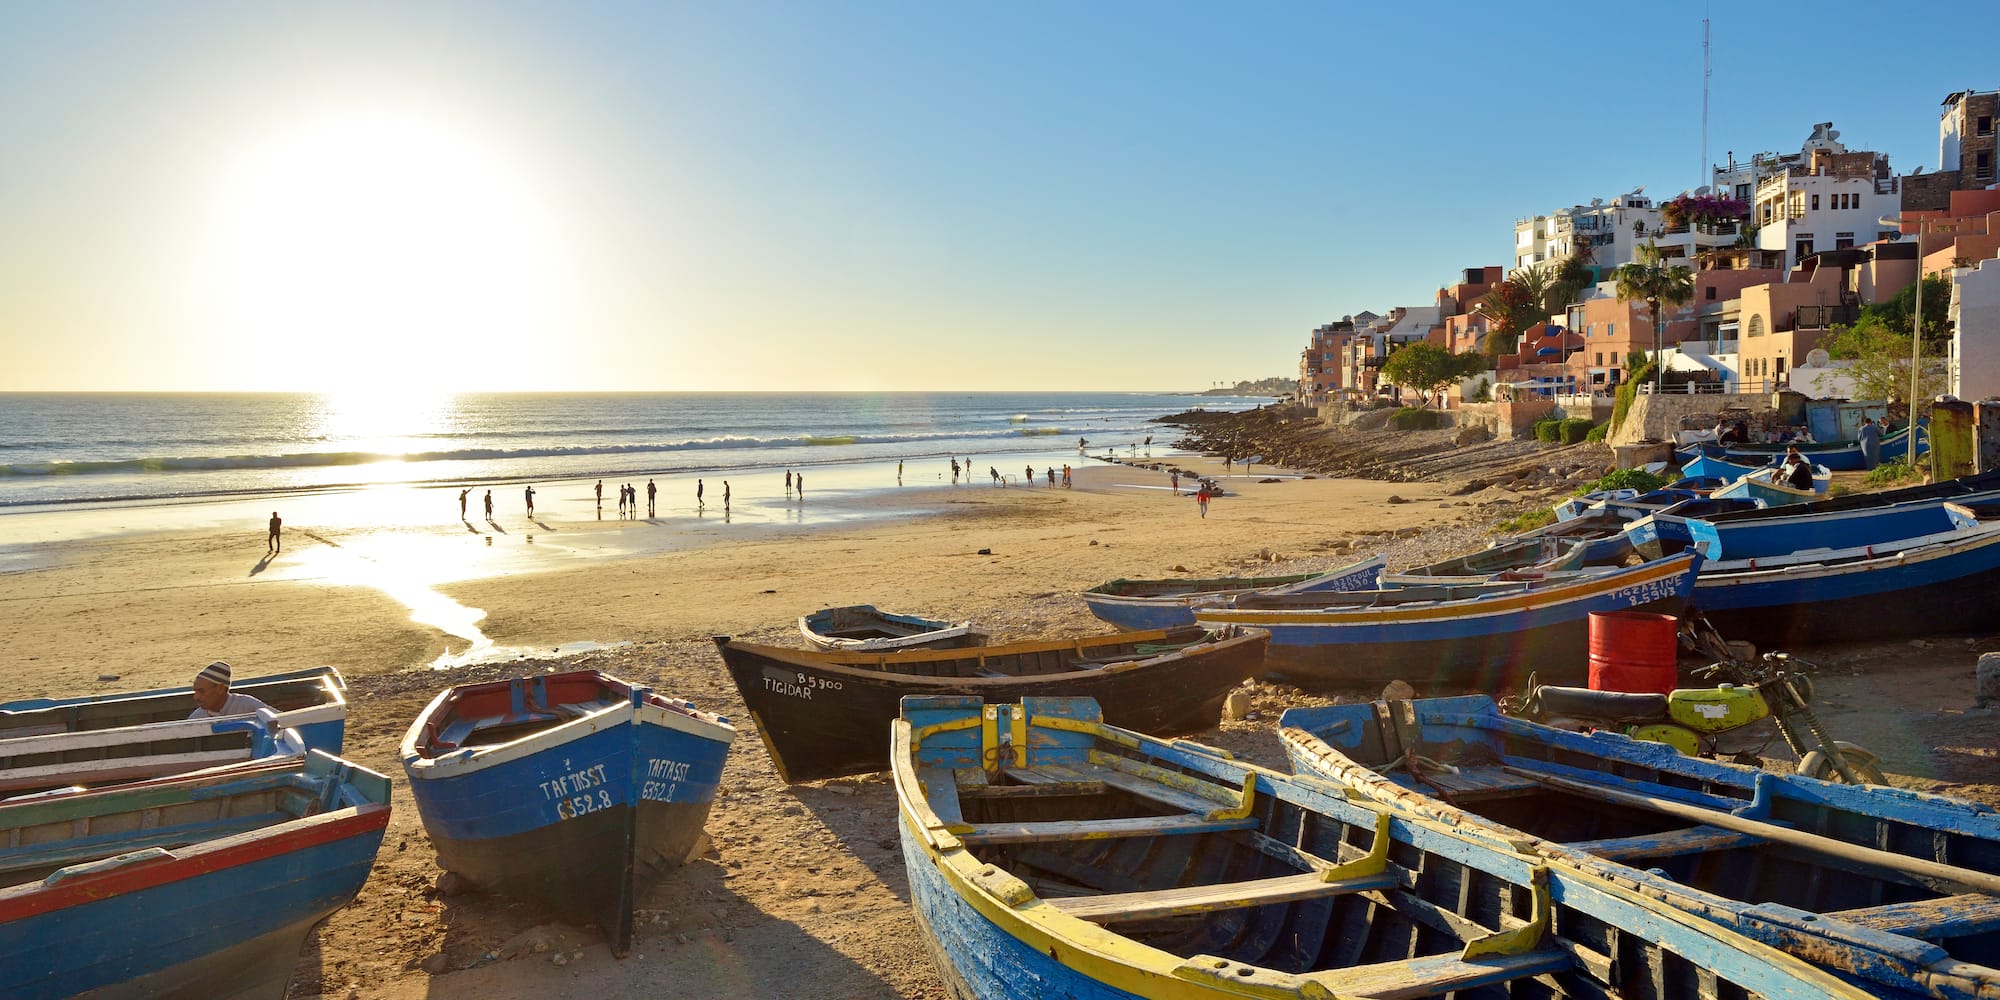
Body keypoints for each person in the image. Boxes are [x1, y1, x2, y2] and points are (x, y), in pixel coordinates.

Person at [188, 661, 274, 719]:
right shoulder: (196, 718)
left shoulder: (248, 705)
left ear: (220, 688)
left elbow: (280, 721)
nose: (196, 697)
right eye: (195, 692)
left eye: (202, 691)